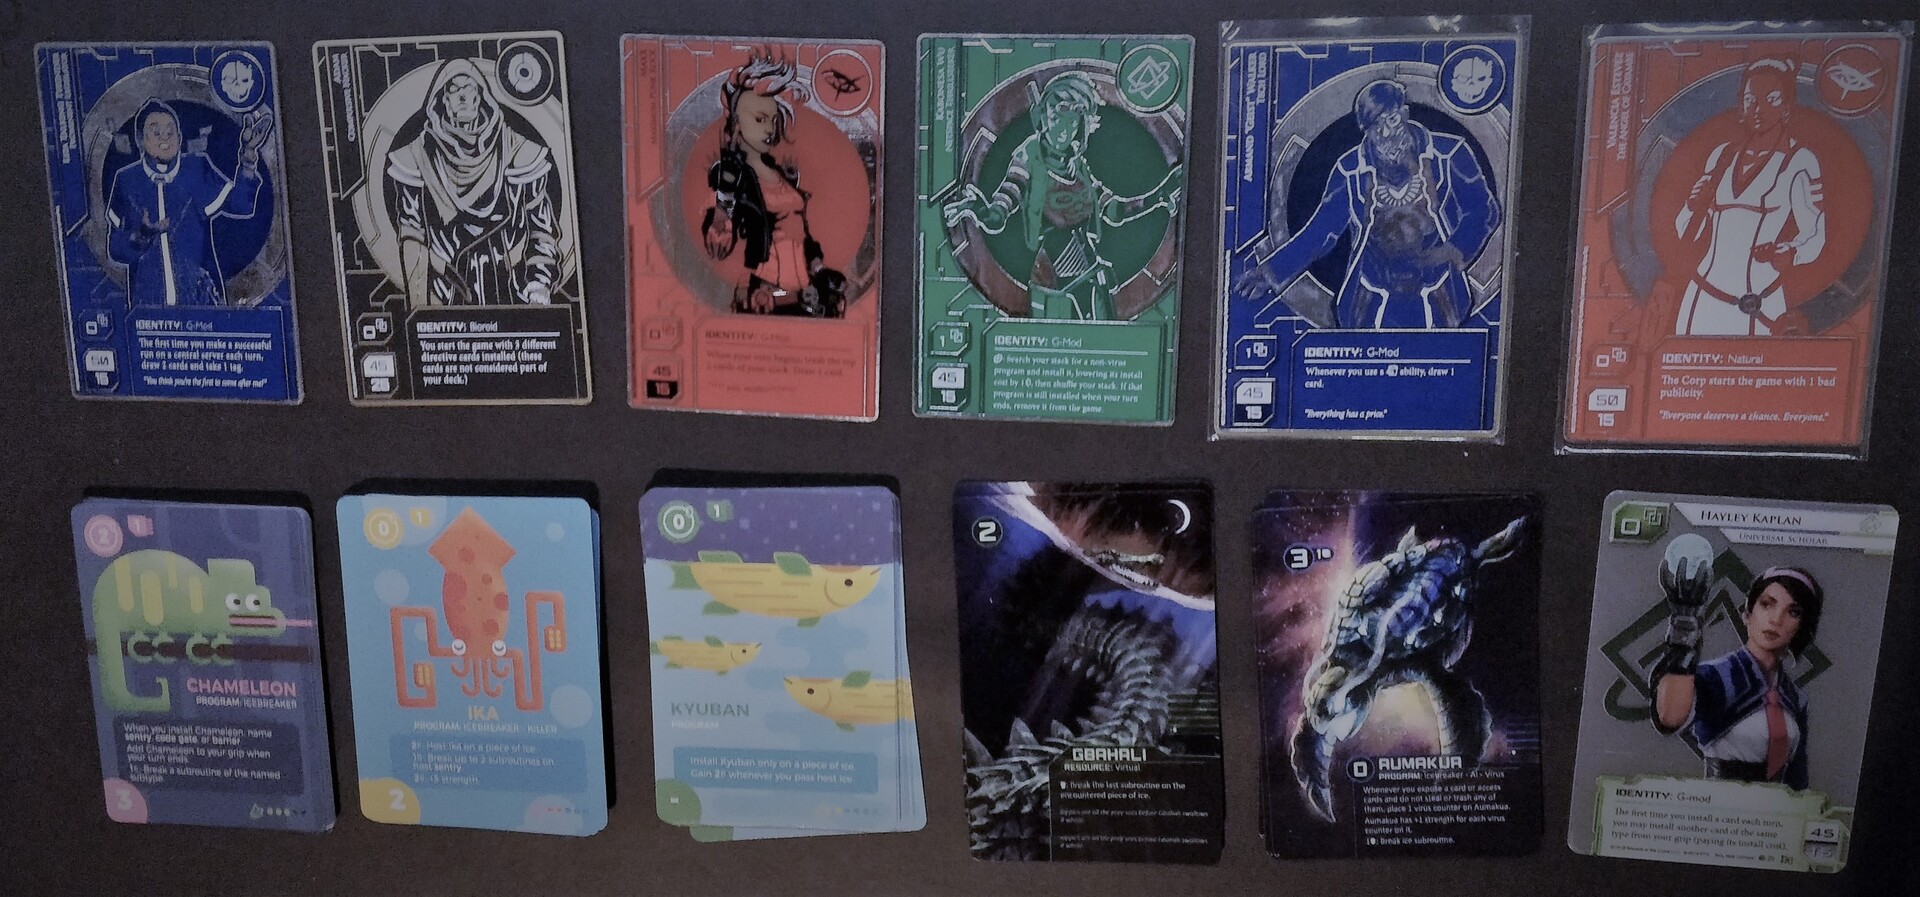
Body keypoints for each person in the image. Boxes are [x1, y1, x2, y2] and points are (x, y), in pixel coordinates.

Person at [1234, 79, 1499, 329]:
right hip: (1370, 298)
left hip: (1441, 292)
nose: (1386, 132)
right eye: (1376, 126)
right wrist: (1271, 272)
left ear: (1405, 114)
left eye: (1392, 120)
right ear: (1366, 130)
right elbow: (1321, 232)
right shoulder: (1350, 170)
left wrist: (1451, 251)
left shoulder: (1450, 154)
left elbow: (1484, 210)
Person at [942, 70, 1183, 321]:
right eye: (1056, 115)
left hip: (1092, 276)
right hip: (1054, 281)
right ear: (1042, 115)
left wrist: (1159, 196)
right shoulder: (1029, 155)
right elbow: (1001, 209)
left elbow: (1114, 211)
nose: (1062, 128)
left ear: (1082, 125)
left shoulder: (1079, 167)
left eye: (1071, 120)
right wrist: (977, 209)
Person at [386, 59, 561, 307]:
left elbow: (541, 228)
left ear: (480, 96)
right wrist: (420, 307)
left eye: (468, 88)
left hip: (507, 286)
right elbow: (411, 235)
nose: (462, 97)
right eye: (453, 90)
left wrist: (539, 284)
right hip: (445, 287)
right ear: (442, 101)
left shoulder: (516, 149)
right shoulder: (417, 156)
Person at [1671, 59, 1826, 336]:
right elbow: (1687, 233)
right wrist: (1692, 205)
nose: (1758, 109)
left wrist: (1791, 252)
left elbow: (1815, 233)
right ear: (1741, 105)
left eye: (1771, 99)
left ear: (1787, 106)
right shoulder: (1722, 155)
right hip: (1703, 297)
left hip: (1760, 304)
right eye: (1750, 99)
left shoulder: (1799, 160)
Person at [1650, 555, 1821, 790]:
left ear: (1801, 627)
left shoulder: (1795, 698)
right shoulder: (1717, 675)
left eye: (1793, 612)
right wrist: (1683, 631)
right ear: (1747, 614)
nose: (1776, 619)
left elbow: (1798, 778)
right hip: (1721, 804)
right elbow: (1669, 717)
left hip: (1777, 808)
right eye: (1767, 604)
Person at [701, 51, 847, 317]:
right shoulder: (730, 176)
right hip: (766, 296)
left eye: (772, 119)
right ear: (736, 123)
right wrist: (724, 205)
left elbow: (799, 232)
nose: (769, 129)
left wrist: (819, 269)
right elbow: (718, 241)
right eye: (759, 119)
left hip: (805, 295)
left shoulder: (781, 174)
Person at [106, 99, 271, 307]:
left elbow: (241, 204)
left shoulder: (196, 168)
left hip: (202, 303)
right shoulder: (127, 180)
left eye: (171, 132)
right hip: (147, 308)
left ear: (179, 138)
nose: (165, 137)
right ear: (140, 139)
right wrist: (141, 236)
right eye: (155, 132)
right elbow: (115, 250)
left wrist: (248, 157)